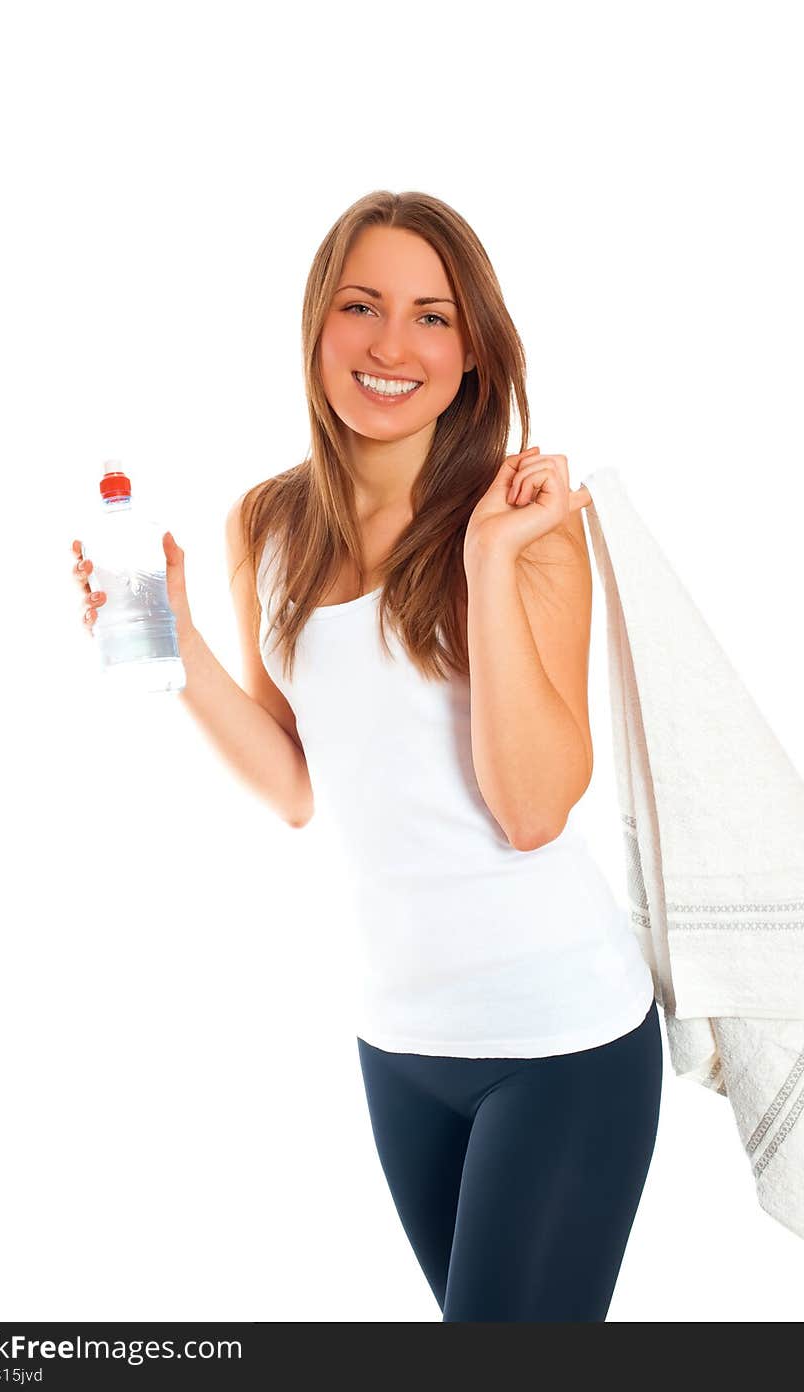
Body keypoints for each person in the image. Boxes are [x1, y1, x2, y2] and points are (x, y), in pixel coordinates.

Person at [71, 189, 662, 1322]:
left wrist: (486, 563)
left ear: (474, 351)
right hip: (396, 1044)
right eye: (363, 306)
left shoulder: (527, 530)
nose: (393, 345)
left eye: (433, 317)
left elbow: (532, 809)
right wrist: (178, 640)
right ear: (316, 326)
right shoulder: (267, 525)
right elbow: (300, 784)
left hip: (560, 1043)